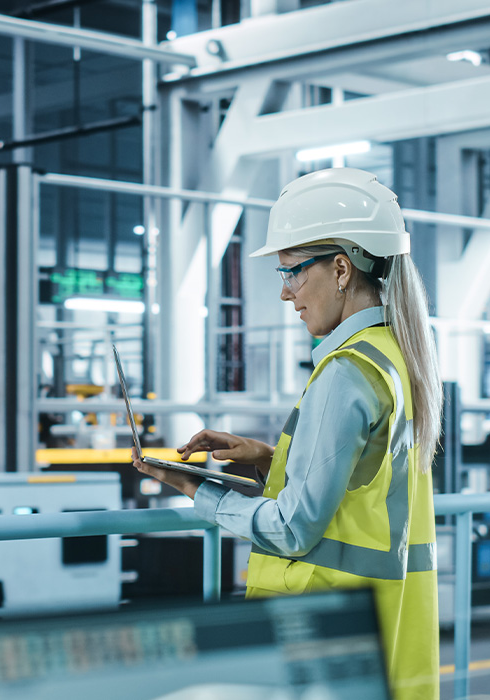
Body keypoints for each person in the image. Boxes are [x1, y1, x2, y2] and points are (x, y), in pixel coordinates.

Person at [132, 167, 442, 700]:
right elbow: (363, 479)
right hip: (380, 618)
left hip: (321, 626)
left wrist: (197, 491)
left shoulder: (346, 371)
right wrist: (267, 457)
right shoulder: (395, 355)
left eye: (293, 272)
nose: (285, 293)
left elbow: (293, 530)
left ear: (341, 269)